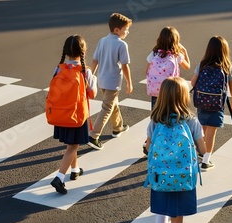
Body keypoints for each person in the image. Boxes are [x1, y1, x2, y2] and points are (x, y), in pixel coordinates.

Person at [145, 77, 206, 223]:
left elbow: (148, 146)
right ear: (184, 96)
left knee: (161, 211)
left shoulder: (155, 119)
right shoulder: (191, 120)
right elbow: (203, 148)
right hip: (183, 177)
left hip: (160, 176)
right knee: (177, 216)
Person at [50, 35, 97, 194]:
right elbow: (93, 94)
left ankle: (75, 169)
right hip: (76, 115)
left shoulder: (59, 68)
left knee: (72, 143)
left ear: (65, 51)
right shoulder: (85, 71)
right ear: (84, 51)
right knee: (73, 146)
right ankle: (59, 177)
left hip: (61, 113)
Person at [191, 36, 232, 171]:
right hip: (217, 105)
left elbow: (193, 82)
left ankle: (196, 154)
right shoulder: (227, 66)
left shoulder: (203, 64)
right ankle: (206, 161)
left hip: (202, 102)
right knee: (211, 133)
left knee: (201, 130)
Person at [87, 12, 133, 150]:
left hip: (101, 80)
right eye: (126, 29)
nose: (127, 32)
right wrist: (129, 82)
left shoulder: (102, 41)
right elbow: (125, 66)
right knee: (107, 107)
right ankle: (93, 135)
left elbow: (95, 60)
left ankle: (117, 128)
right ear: (117, 30)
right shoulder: (121, 44)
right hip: (113, 82)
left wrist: (90, 78)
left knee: (113, 104)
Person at [143, 26, 190, 155]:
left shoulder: (154, 53)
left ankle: (150, 141)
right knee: (170, 117)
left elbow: (146, 71)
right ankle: (167, 141)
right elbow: (188, 66)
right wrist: (184, 51)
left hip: (156, 92)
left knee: (155, 117)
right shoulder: (176, 55)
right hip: (170, 92)